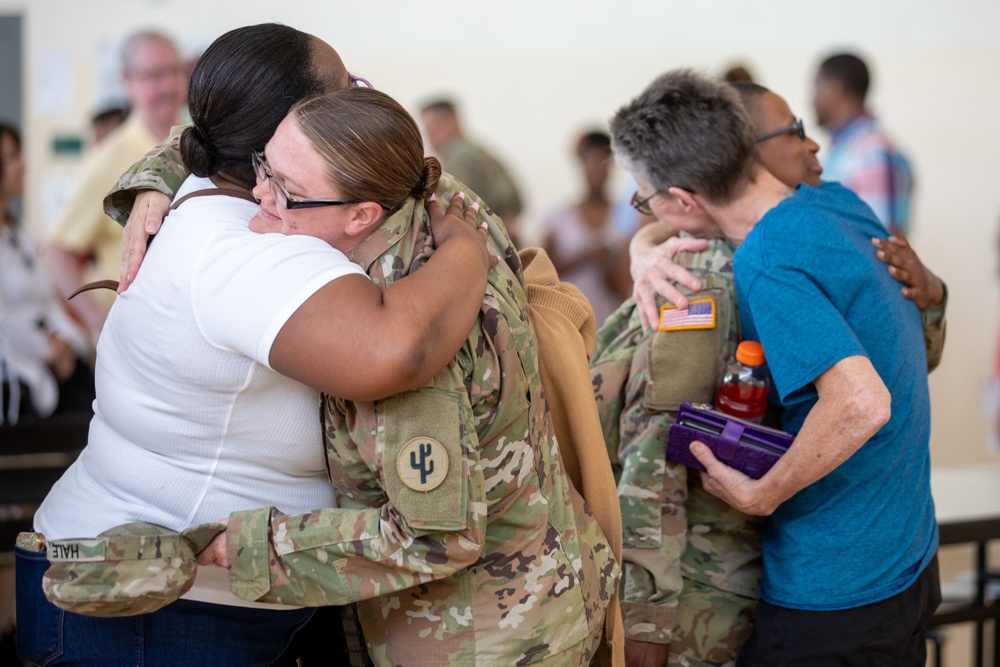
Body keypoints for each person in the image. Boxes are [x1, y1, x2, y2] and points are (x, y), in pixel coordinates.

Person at [18, 24, 492, 667]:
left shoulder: (218, 190)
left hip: (181, 588)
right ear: (283, 133)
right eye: (344, 88)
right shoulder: (250, 250)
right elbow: (400, 348)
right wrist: (468, 246)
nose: (359, 95)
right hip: (151, 609)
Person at [594, 81, 947, 667]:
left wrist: (764, 493)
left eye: (643, 200)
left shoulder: (764, 259)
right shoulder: (838, 204)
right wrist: (644, 242)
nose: (646, 214)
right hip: (907, 555)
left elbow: (863, 401)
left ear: (684, 199)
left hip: (834, 585)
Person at [42, 30, 188, 342]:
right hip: (134, 340)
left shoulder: (194, 141)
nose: (170, 85)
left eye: (176, 71)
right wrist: (100, 322)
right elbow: (56, 252)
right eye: (154, 75)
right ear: (127, 80)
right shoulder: (108, 159)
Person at [0, 122, 94, 426]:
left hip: (54, 352)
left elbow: (47, 297)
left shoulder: (19, 231)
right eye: (12, 157)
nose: (23, 165)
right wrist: (48, 350)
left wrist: (68, 344)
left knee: (94, 400)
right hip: (20, 366)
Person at [813, 52, 914, 237]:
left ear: (835, 90)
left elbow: (883, 242)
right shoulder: (847, 147)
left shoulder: (873, 151)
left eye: (817, 87)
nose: (812, 99)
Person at [542, 131, 634, 324]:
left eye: (602, 164)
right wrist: (587, 257)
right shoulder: (557, 219)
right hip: (567, 323)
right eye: (591, 163)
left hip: (613, 322)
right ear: (581, 165)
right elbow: (542, 274)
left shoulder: (627, 216)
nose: (596, 172)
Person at [420, 98, 525, 244]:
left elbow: (450, 205)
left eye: (433, 130)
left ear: (454, 122)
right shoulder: (472, 149)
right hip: (501, 236)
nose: (430, 138)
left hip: (489, 239)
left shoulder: (460, 156)